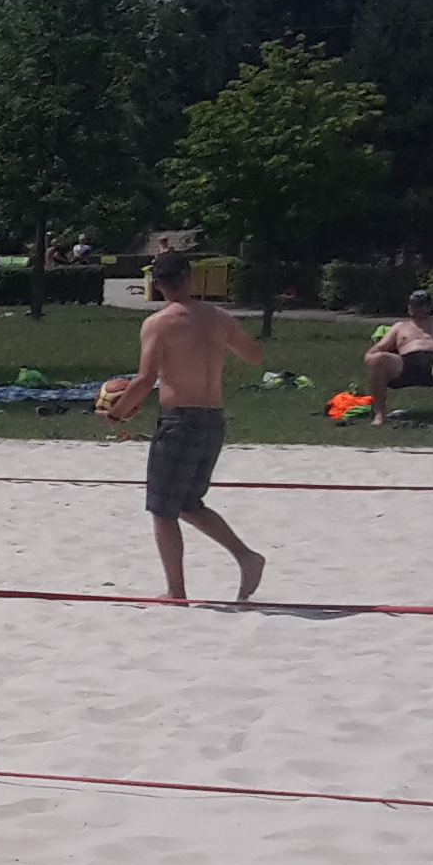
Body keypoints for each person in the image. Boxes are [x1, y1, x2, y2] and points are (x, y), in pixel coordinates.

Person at [121, 249, 268, 601]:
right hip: (213, 419)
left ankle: (176, 591)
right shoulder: (219, 317)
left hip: (180, 420)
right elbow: (254, 356)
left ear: (157, 284)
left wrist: (116, 412)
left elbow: (145, 379)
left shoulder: (159, 323)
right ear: (189, 278)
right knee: (188, 502)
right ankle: (247, 557)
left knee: (162, 510)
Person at [364, 290, 433, 427]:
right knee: (379, 358)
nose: (415, 308)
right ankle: (379, 415)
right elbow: (378, 348)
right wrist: (371, 357)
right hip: (405, 362)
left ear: (428, 307)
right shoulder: (400, 326)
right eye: (412, 305)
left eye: (420, 305)